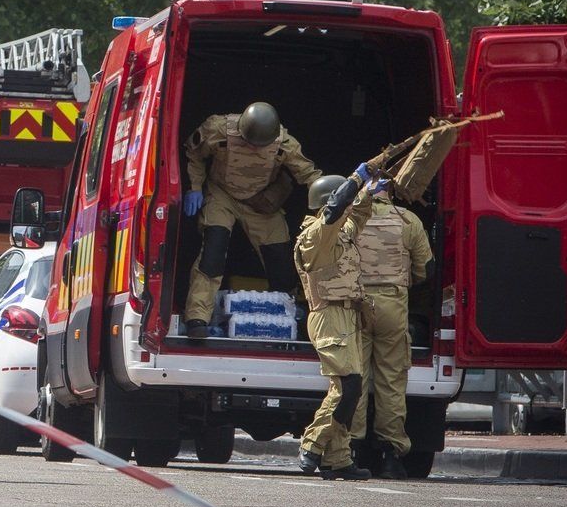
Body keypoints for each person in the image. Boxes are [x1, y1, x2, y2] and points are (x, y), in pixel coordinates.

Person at [182, 102, 321, 339]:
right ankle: (197, 317)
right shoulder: (219, 129)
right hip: (221, 194)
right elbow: (194, 152)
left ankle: (287, 316)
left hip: (259, 202)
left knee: (280, 259)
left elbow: (308, 174)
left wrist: (329, 198)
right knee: (213, 252)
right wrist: (194, 187)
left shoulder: (285, 144)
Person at [294, 163, 379, 481]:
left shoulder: (338, 231)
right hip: (328, 315)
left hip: (349, 316)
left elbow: (354, 218)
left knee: (349, 390)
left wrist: (368, 195)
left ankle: (338, 458)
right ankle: (311, 445)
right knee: (348, 386)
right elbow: (336, 213)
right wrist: (357, 179)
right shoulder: (315, 235)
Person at [349, 188, 433, 479]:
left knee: (354, 378)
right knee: (391, 380)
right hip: (392, 306)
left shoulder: (349, 217)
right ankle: (390, 455)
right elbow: (426, 269)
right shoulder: (407, 220)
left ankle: (351, 449)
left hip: (354, 304)